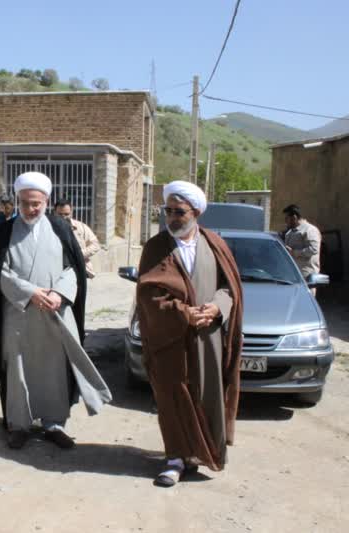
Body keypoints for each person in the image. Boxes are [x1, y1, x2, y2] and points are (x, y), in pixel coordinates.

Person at [0, 172, 112, 450]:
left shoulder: (60, 228)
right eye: (26, 203)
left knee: (55, 371)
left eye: (37, 204)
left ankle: (55, 424)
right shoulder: (5, 230)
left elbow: (73, 269)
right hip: (19, 314)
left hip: (55, 312)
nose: (31, 209)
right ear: (17, 201)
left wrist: (58, 293)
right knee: (17, 371)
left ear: (47, 201)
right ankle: (19, 425)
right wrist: (30, 293)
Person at [136, 180, 244, 487]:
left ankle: (199, 455)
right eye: (167, 210)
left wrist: (217, 308)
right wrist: (184, 313)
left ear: (195, 212)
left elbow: (230, 287)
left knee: (206, 394)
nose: (171, 217)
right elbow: (147, 295)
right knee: (173, 396)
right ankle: (174, 459)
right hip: (169, 338)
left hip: (207, 338)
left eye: (178, 211)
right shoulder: (156, 247)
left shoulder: (215, 244)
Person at [54, 198, 101, 279]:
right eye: (60, 214)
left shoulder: (81, 227)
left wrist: (79, 254)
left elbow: (95, 245)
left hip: (77, 270)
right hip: (55, 270)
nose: (63, 217)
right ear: (54, 213)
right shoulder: (48, 228)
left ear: (71, 212)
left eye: (66, 214)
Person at [282, 204, 321, 280]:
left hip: (306, 277)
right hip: (292, 276)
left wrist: (294, 252)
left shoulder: (309, 230)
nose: (285, 221)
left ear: (294, 217)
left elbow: (314, 249)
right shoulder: (290, 232)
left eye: (287, 218)